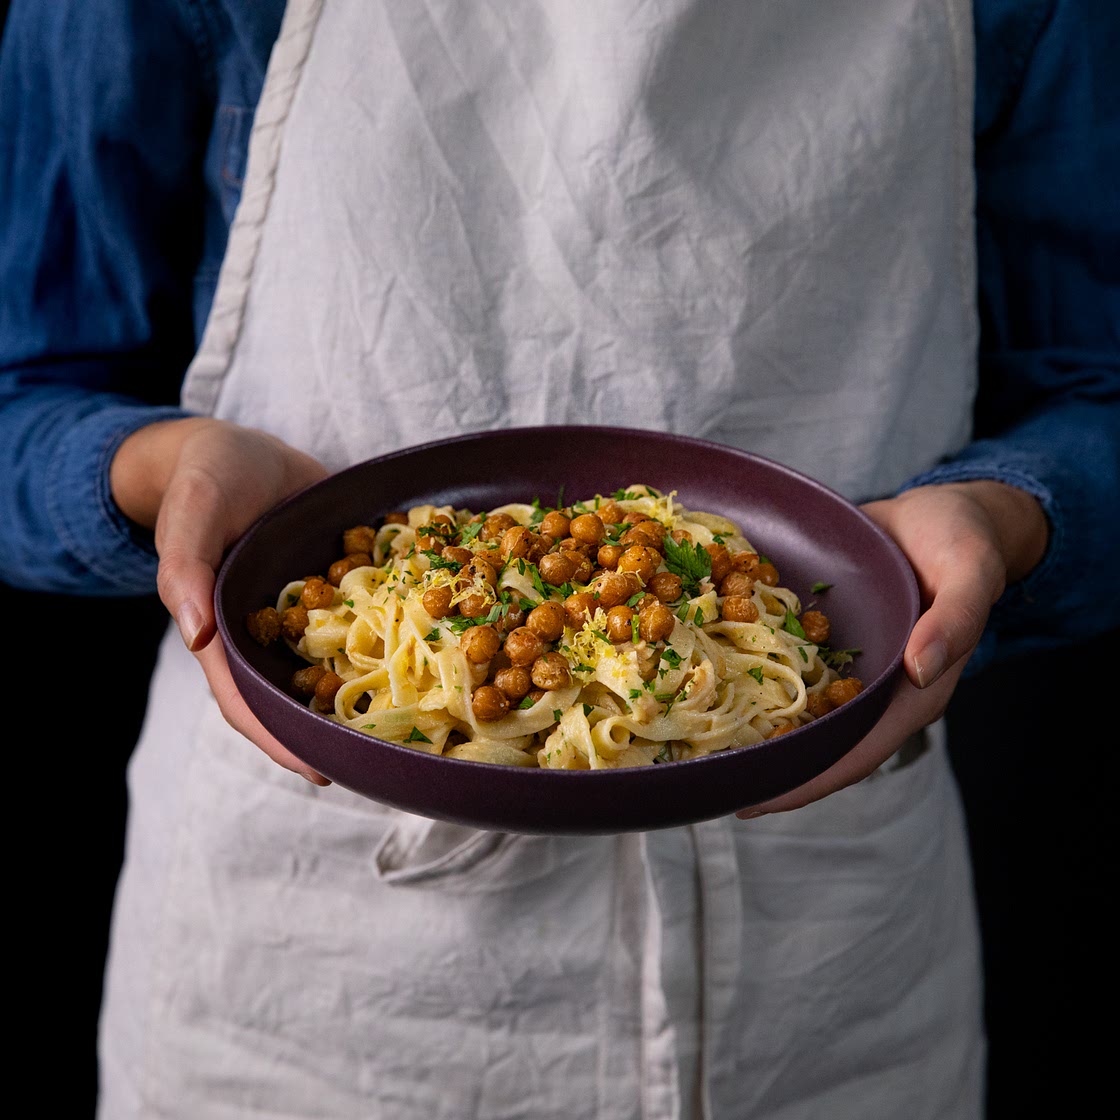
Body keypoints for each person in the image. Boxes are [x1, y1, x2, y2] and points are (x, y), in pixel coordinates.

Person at [1, 1, 1117, 1117]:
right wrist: (163, 467)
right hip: (309, 980)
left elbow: (1092, 393)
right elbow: (28, 398)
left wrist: (1005, 517)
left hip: (828, 973)